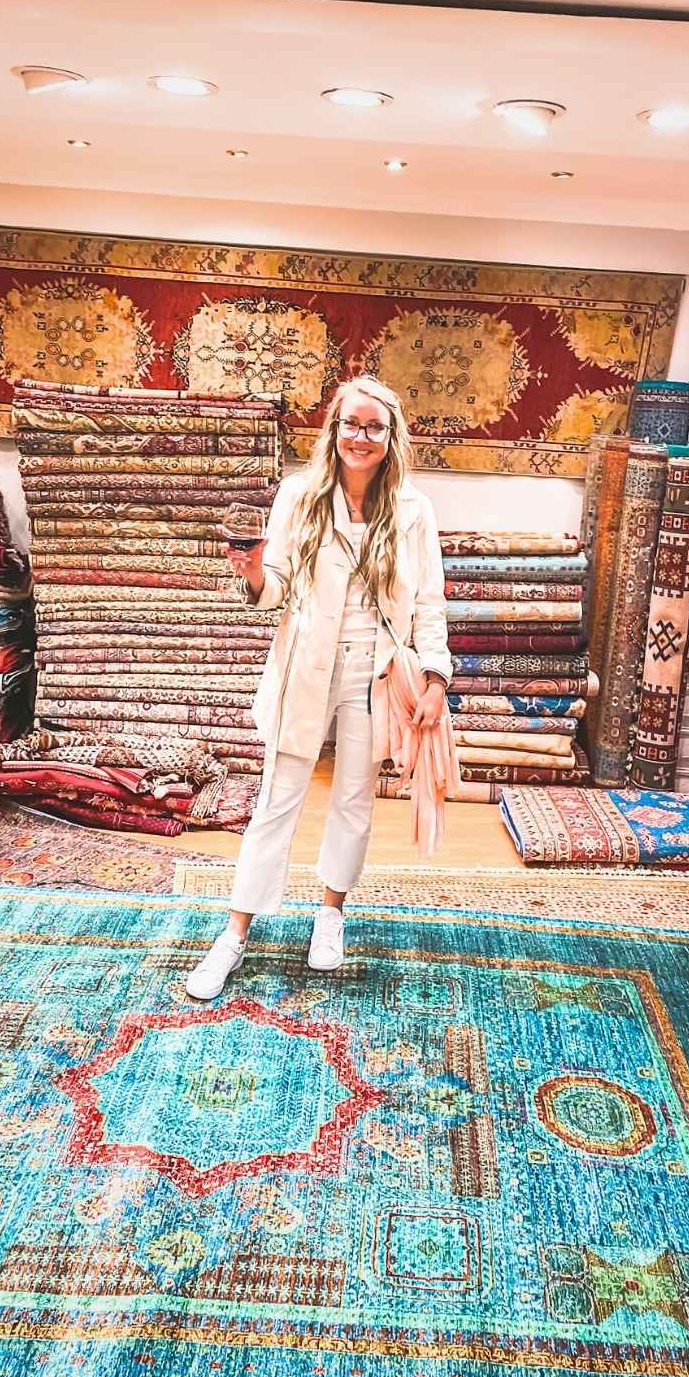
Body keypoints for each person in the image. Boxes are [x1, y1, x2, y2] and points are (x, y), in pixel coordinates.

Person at [186, 375, 453, 1000]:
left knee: (355, 800)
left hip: (377, 670)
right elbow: (275, 586)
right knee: (277, 799)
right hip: (306, 664)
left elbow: (429, 603)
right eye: (350, 424)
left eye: (373, 427)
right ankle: (233, 934)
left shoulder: (413, 511)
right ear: (333, 429)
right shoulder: (299, 496)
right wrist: (254, 573)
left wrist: (436, 675)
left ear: (391, 438)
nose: (360, 437)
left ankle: (329, 914)